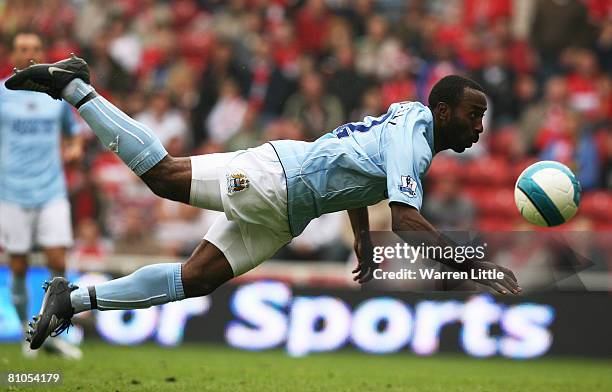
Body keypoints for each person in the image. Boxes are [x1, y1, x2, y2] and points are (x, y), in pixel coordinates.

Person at [5, 55, 521, 351]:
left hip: (289, 213)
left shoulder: (410, 126)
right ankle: (74, 87)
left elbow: (358, 169)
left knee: (196, 279)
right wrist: (474, 266)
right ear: (444, 108)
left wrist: (362, 235)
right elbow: (406, 221)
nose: (479, 128)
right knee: (164, 177)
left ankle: (69, 300)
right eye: (474, 116)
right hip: (276, 179)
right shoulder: (415, 136)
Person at [0, 33, 83, 358]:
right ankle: (27, 332)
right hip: (12, 193)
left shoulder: (56, 95)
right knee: (18, 267)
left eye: (36, 49)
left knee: (58, 263)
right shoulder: (2, 94)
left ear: (42, 53)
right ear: (13, 55)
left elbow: (73, 134)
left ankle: (53, 330)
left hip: (51, 190)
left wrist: (74, 149)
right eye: (24, 49)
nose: (30, 54)